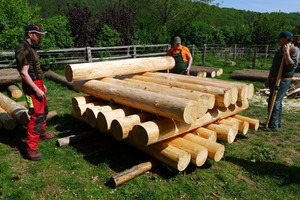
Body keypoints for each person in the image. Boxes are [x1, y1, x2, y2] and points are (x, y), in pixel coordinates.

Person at [15, 23, 54, 161]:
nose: (40, 37)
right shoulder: (23, 49)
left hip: (37, 84)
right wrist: (37, 89)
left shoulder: (31, 47)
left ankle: (41, 133)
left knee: (44, 111)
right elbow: (24, 74)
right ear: (30, 34)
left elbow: (34, 69)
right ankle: (31, 149)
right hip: (31, 86)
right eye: (38, 35)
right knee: (36, 115)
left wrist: (42, 85)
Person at [262, 31, 299, 132]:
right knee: (272, 101)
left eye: (280, 38)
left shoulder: (294, 50)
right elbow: (274, 65)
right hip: (274, 78)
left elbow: (292, 66)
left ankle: (273, 125)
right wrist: (268, 78)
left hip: (283, 80)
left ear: (286, 38)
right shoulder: (280, 49)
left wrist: (287, 53)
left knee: (276, 101)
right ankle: (275, 122)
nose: (278, 40)